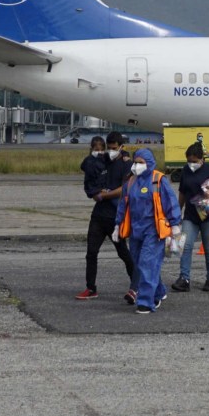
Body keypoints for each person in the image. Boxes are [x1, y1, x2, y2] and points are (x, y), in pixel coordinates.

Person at [113, 148, 182, 314]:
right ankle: (158, 291)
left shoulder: (158, 180)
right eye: (135, 162)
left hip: (154, 229)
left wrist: (174, 224)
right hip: (136, 229)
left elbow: (170, 201)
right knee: (139, 262)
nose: (136, 165)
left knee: (147, 263)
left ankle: (146, 301)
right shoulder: (131, 182)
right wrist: (117, 225)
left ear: (149, 163)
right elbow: (124, 204)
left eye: (140, 162)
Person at [76, 133, 137, 303]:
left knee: (123, 252)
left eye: (113, 148)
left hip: (115, 217)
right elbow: (87, 165)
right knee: (91, 252)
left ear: (121, 147)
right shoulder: (105, 160)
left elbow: (126, 187)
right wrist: (96, 194)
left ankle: (136, 285)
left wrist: (106, 195)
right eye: (108, 148)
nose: (110, 151)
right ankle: (91, 287)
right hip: (99, 216)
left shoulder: (126, 164)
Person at [171, 142, 209, 294]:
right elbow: (182, 193)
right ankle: (184, 279)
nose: (191, 164)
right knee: (185, 245)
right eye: (189, 161)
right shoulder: (185, 170)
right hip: (191, 216)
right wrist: (177, 212)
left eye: (194, 161)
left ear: (202, 159)